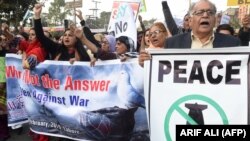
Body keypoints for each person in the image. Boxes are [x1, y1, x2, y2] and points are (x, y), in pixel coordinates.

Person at [139, 0, 241, 66]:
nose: (205, 15)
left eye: (210, 12)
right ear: (191, 20)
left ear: (215, 20)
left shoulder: (232, 43)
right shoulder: (172, 44)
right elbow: (165, 70)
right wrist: (148, 64)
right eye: (200, 12)